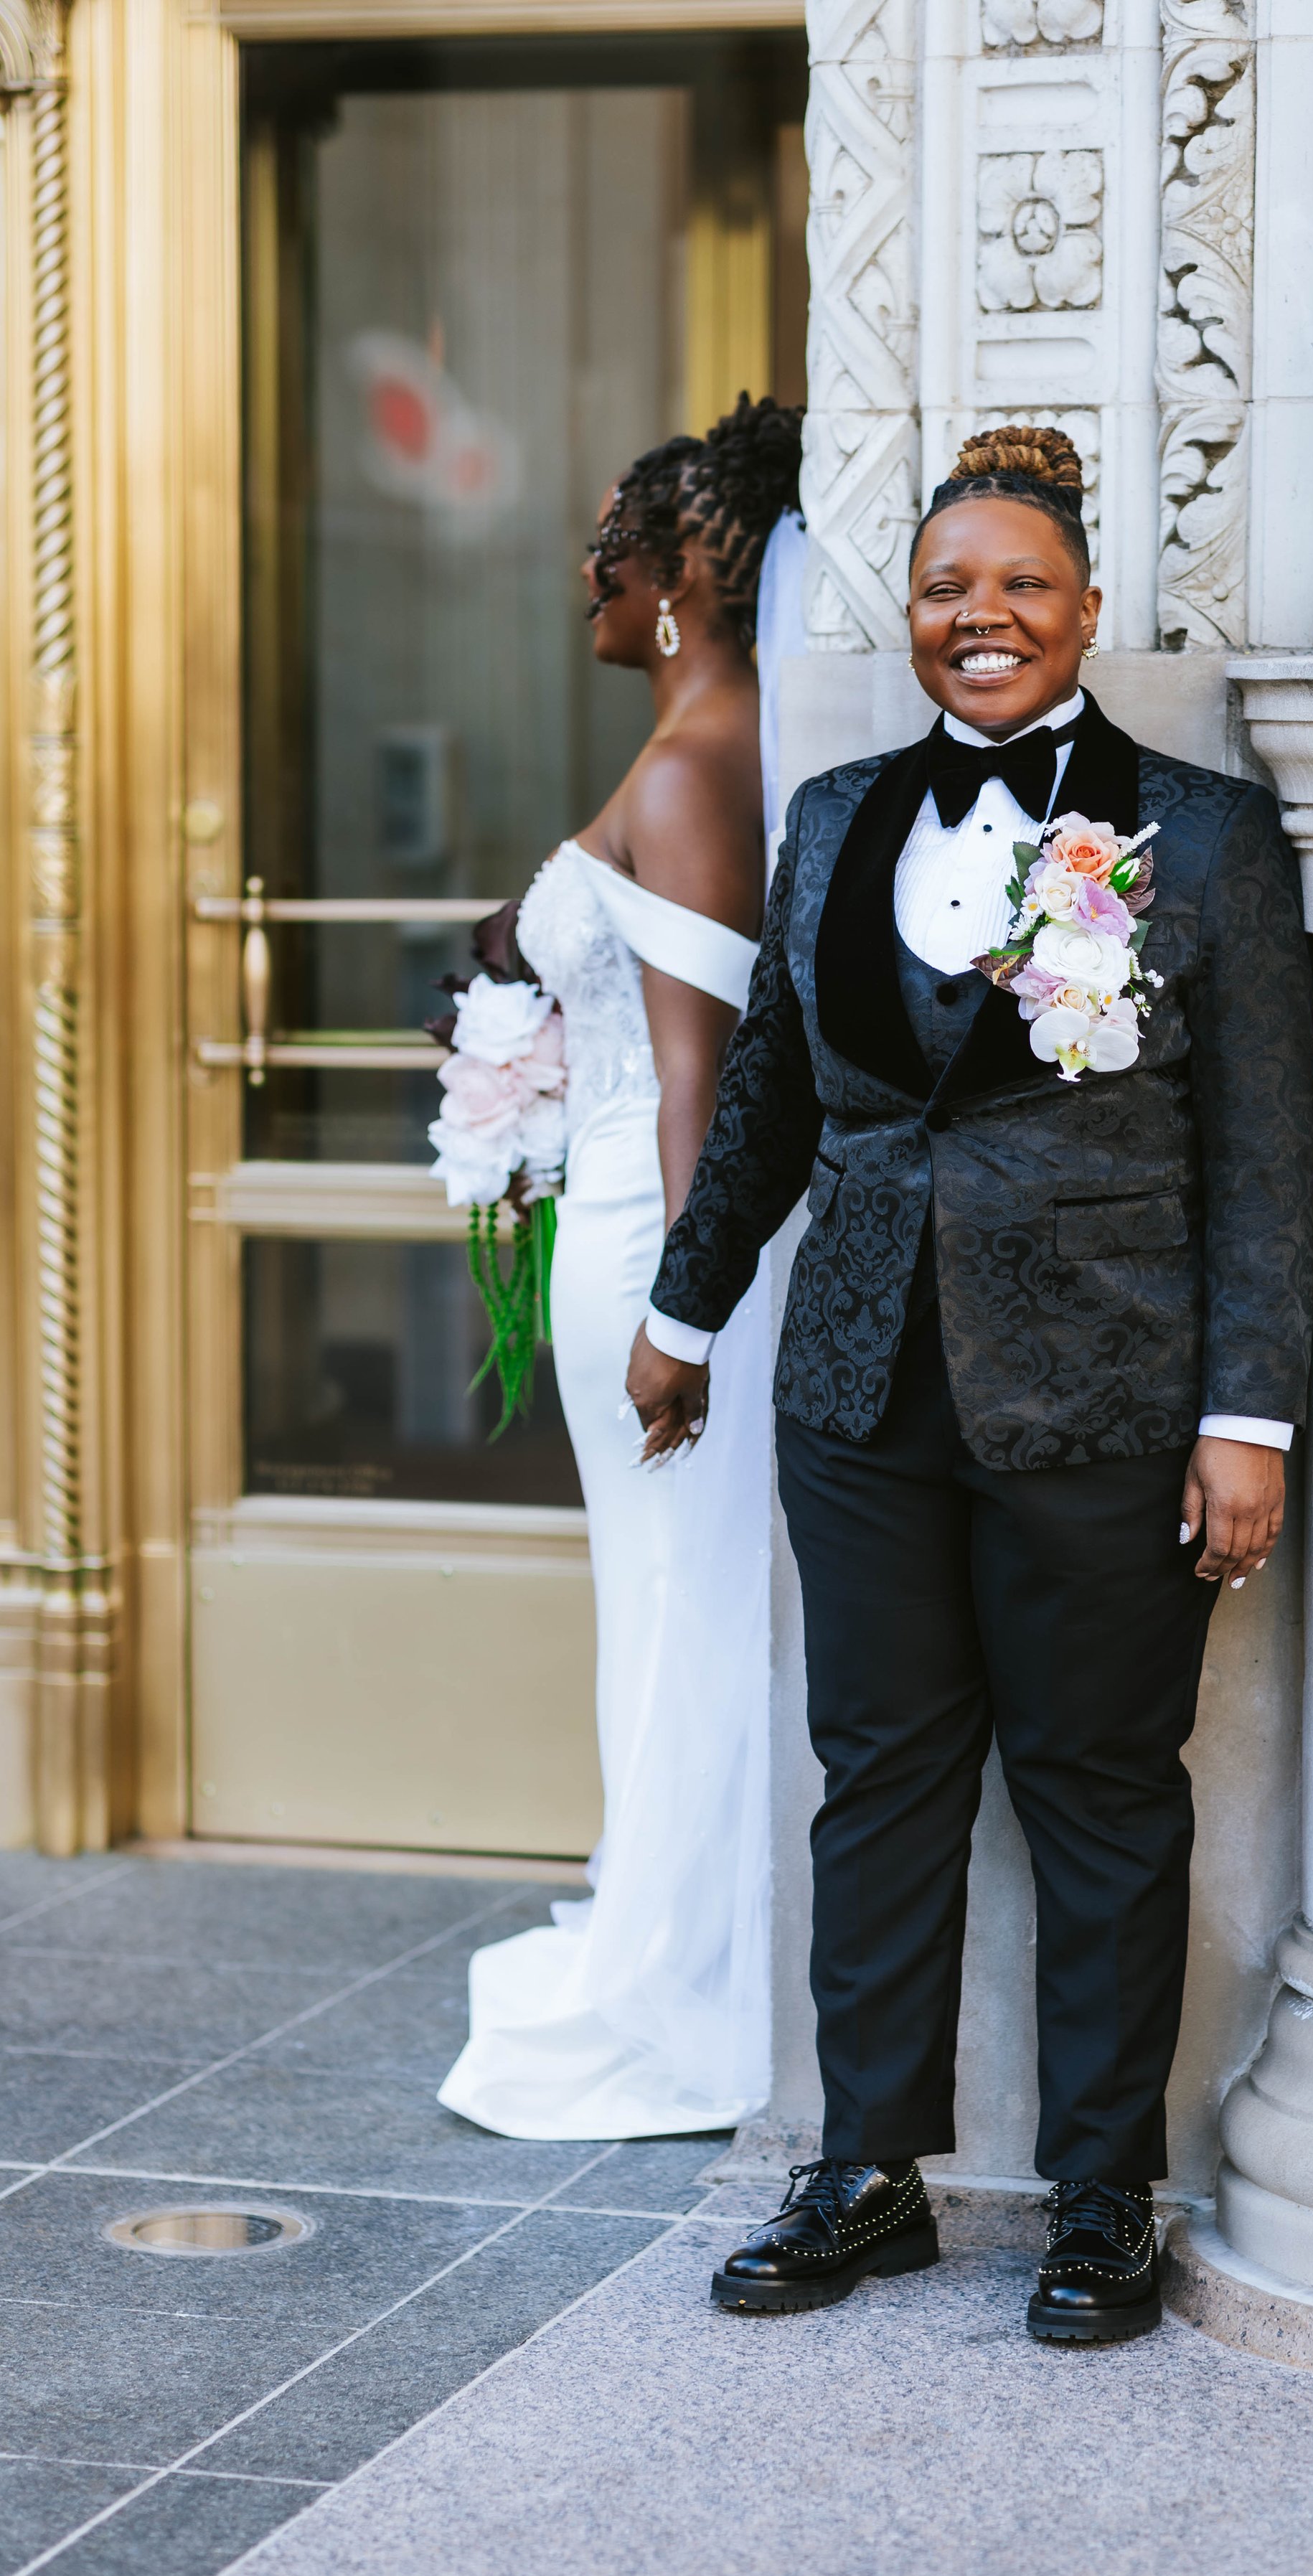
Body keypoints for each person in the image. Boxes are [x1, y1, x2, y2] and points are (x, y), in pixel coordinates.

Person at [626, 426, 1313, 2338]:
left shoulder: (1204, 838)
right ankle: (865, 2170)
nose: (979, 616)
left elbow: (1264, 1153)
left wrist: (1246, 1416)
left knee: (1097, 1785)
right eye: (946, 588)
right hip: (858, 1390)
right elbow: (769, 1091)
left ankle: (1102, 2192)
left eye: (1019, 586)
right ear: (910, 616)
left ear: (1085, 610)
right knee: (878, 1774)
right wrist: (685, 1309)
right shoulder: (833, 814)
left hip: (1103, 1393)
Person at [438, 397, 804, 2143]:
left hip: (652, 1249)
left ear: (678, 580)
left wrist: (684, 1313)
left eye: (606, 547)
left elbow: (694, 1075)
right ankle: (669, 1928)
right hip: (633, 1229)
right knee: (667, 1594)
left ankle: (684, 1989)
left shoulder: (687, 761)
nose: (581, 576)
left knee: (682, 1601)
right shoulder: (699, 741)